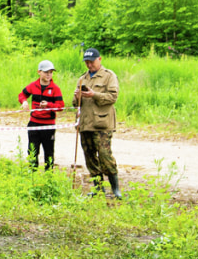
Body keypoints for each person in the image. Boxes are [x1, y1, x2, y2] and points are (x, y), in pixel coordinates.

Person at [73, 48, 121, 199]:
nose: (89, 65)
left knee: (105, 156)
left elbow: (113, 97)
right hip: (86, 123)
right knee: (89, 156)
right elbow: (75, 104)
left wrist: (94, 94)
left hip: (102, 123)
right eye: (86, 62)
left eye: (91, 62)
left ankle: (115, 188)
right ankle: (98, 187)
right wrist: (77, 96)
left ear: (99, 59)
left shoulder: (109, 76)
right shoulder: (82, 78)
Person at [18, 60, 64, 170]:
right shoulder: (33, 86)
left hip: (49, 125)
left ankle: (48, 176)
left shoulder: (55, 89)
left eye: (51, 72)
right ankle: (33, 176)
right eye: (46, 72)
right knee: (32, 151)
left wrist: (48, 105)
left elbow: (61, 106)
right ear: (39, 72)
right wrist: (24, 102)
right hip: (34, 123)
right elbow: (22, 95)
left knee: (49, 152)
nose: (49, 74)